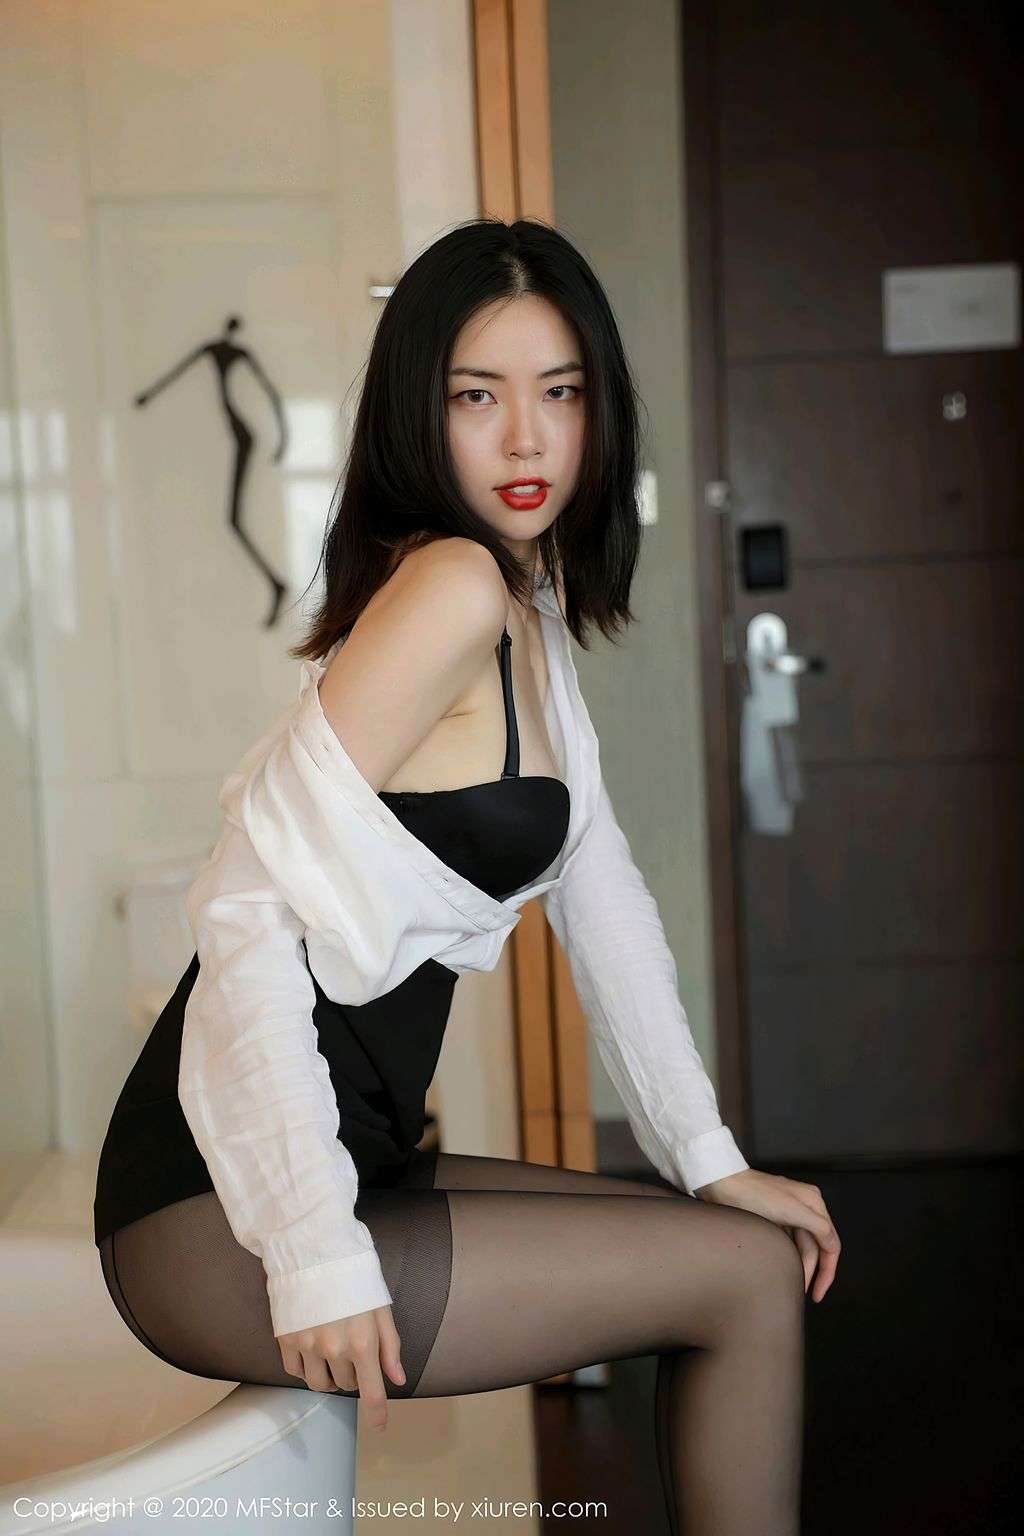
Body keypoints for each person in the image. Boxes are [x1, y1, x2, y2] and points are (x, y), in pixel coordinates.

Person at [94, 217, 840, 1535]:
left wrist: (706, 1157)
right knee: (745, 1282)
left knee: (741, 1248)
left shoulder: (524, 603)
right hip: (212, 1211)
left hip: (355, 1153)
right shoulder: (452, 587)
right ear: (417, 413)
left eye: (561, 392)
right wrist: (314, 1248)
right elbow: (244, 908)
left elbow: (601, 892)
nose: (527, 440)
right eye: (477, 397)